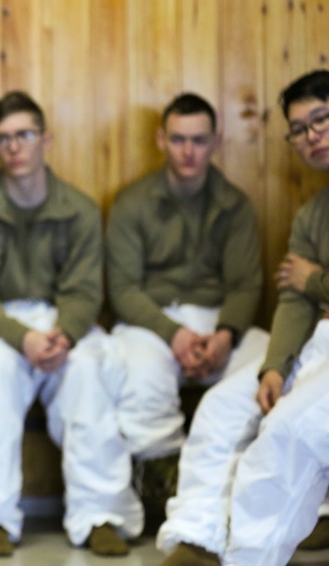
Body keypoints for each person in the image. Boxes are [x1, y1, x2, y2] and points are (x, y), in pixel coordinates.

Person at [0, 91, 139, 557]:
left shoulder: (80, 208)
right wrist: (22, 338)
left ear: (45, 138)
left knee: (86, 373)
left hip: (61, 322)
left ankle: (101, 514)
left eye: (24, 135)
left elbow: (85, 290)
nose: (14, 147)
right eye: (3, 138)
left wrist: (64, 333)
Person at [156, 70, 329, 566]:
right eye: (298, 129)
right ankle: (196, 538)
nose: (310, 135)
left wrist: (314, 279)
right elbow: (293, 300)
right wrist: (273, 368)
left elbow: (305, 285)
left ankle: (251, 559)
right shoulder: (312, 213)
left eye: (320, 119)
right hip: (318, 338)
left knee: (287, 433)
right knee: (221, 408)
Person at [106, 93, 269, 484]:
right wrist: (173, 335)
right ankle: (159, 481)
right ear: (161, 140)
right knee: (139, 372)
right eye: (178, 139)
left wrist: (226, 336)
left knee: (273, 357)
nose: (188, 151)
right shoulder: (132, 204)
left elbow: (246, 284)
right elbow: (123, 288)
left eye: (198, 140)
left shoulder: (235, 205)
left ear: (215, 141)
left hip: (219, 319)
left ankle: (234, 479)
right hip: (155, 320)